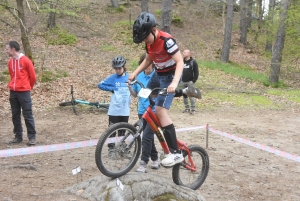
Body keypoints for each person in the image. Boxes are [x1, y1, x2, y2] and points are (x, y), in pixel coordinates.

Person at [129, 12, 201, 167]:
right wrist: (135, 73)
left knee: (161, 110)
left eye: (145, 37)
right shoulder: (148, 42)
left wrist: (175, 82)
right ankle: (179, 96)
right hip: (158, 74)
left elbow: (180, 62)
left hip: (171, 76)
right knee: (145, 94)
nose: (144, 41)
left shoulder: (166, 41)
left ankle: (175, 153)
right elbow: (148, 59)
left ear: (154, 30)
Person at [127, 53, 160, 173]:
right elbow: (135, 95)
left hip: (154, 111)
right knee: (148, 137)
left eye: (149, 63)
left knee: (146, 136)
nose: (147, 66)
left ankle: (144, 163)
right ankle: (156, 158)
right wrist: (129, 87)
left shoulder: (157, 76)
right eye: (145, 64)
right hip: (142, 111)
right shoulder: (139, 76)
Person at [98, 56, 131, 156]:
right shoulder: (113, 78)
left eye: (119, 68)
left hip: (125, 109)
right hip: (114, 109)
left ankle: (121, 146)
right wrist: (112, 88)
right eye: (115, 69)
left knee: (122, 129)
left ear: (124, 67)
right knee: (112, 130)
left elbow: (135, 87)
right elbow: (100, 84)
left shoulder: (129, 77)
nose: (117, 70)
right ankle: (111, 149)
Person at [5, 41, 37, 146]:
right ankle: (18, 136)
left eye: (7, 49)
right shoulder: (10, 62)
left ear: (13, 49)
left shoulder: (26, 61)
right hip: (13, 92)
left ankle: (32, 137)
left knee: (27, 114)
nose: (6, 51)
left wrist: (28, 87)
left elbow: (33, 77)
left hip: (24, 92)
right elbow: (11, 75)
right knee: (15, 115)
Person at [180, 49, 200, 115]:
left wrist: (193, 81)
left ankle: (193, 109)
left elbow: (196, 72)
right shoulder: (182, 62)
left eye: (185, 52)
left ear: (189, 54)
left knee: (191, 95)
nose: (183, 53)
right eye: (183, 52)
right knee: (184, 95)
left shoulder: (193, 62)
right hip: (183, 81)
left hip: (190, 82)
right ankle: (187, 108)